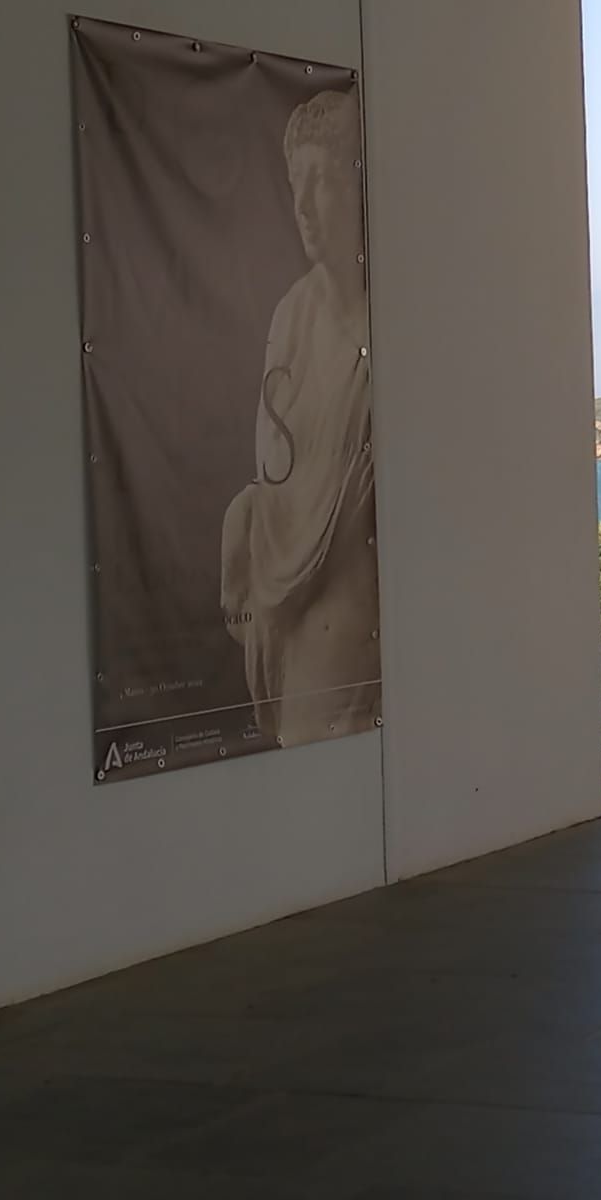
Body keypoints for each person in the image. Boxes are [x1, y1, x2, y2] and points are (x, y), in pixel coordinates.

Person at [221, 88, 381, 746]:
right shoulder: (293, 315)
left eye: (322, 180)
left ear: (360, 186)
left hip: (357, 603)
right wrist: (242, 524)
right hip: (293, 598)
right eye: (297, 183)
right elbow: (276, 472)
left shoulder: (395, 315)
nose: (305, 205)